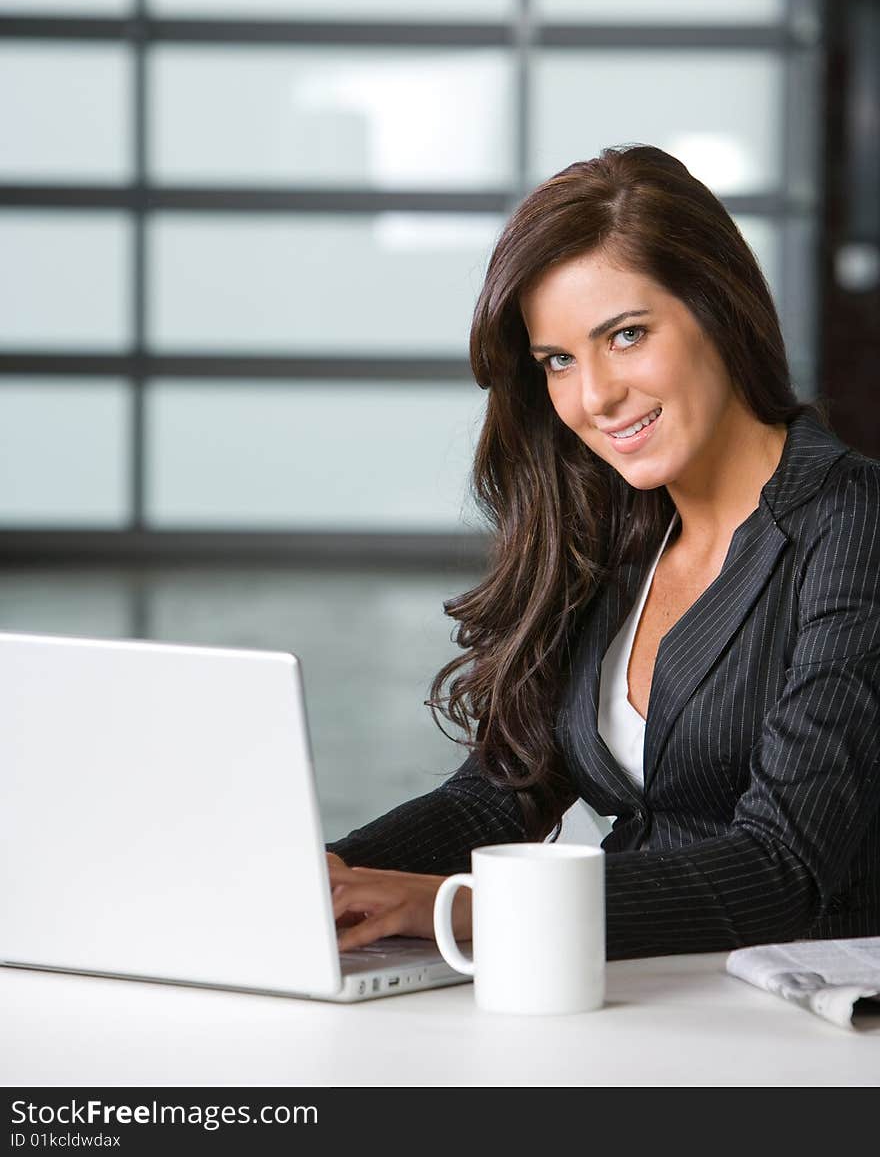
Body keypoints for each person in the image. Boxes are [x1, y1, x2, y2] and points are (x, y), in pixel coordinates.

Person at [326, 144, 880, 961]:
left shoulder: (852, 521)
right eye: (558, 360)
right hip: (625, 998)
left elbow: (782, 867)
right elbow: (502, 791)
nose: (594, 397)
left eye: (626, 335)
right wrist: (330, 875)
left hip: (793, 1028)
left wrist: (458, 905)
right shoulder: (616, 534)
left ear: (719, 309)